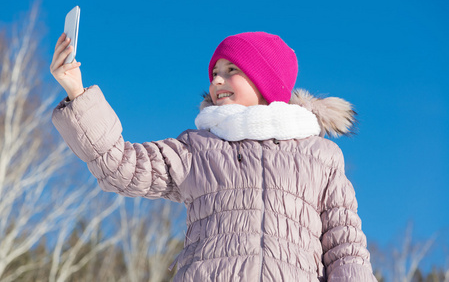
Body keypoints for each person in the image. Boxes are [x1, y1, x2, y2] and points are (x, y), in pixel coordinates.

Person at [50, 31, 377, 281]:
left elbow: (345, 246)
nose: (217, 79)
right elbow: (120, 165)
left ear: (267, 80)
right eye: (214, 72)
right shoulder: (199, 148)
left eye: (231, 69)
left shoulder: (319, 156)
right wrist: (77, 93)